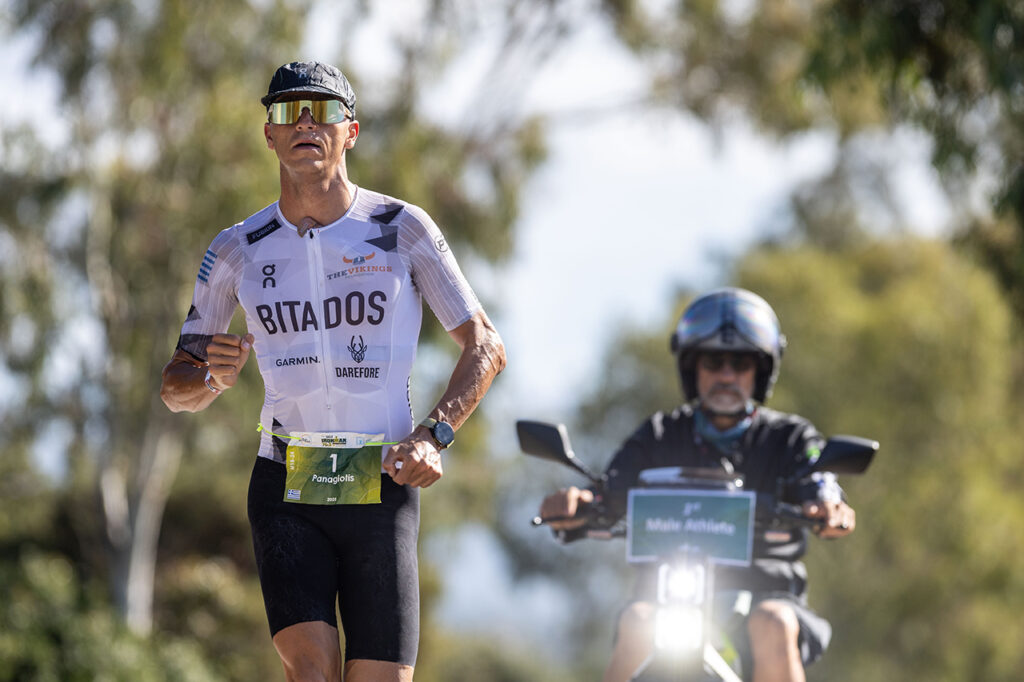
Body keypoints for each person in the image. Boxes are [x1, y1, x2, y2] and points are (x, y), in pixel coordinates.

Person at [160, 60, 506, 682]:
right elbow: (175, 388)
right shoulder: (236, 248)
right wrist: (210, 377)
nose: (305, 124)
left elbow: (485, 344)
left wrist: (434, 435)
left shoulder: (402, 228)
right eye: (287, 112)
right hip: (286, 483)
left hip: (380, 479)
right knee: (311, 669)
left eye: (321, 111)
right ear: (269, 134)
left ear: (351, 132)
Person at [538, 288, 856, 682]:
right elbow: (610, 491)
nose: (726, 375)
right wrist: (578, 504)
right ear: (693, 368)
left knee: (774, 622)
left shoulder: (790, 438)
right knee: (639, 620)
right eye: (713, 361)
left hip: (764, 595)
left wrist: (829, 506)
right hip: (666, 594)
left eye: (740, 363)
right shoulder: (658, 434)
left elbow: (820, 481)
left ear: (760, 371)